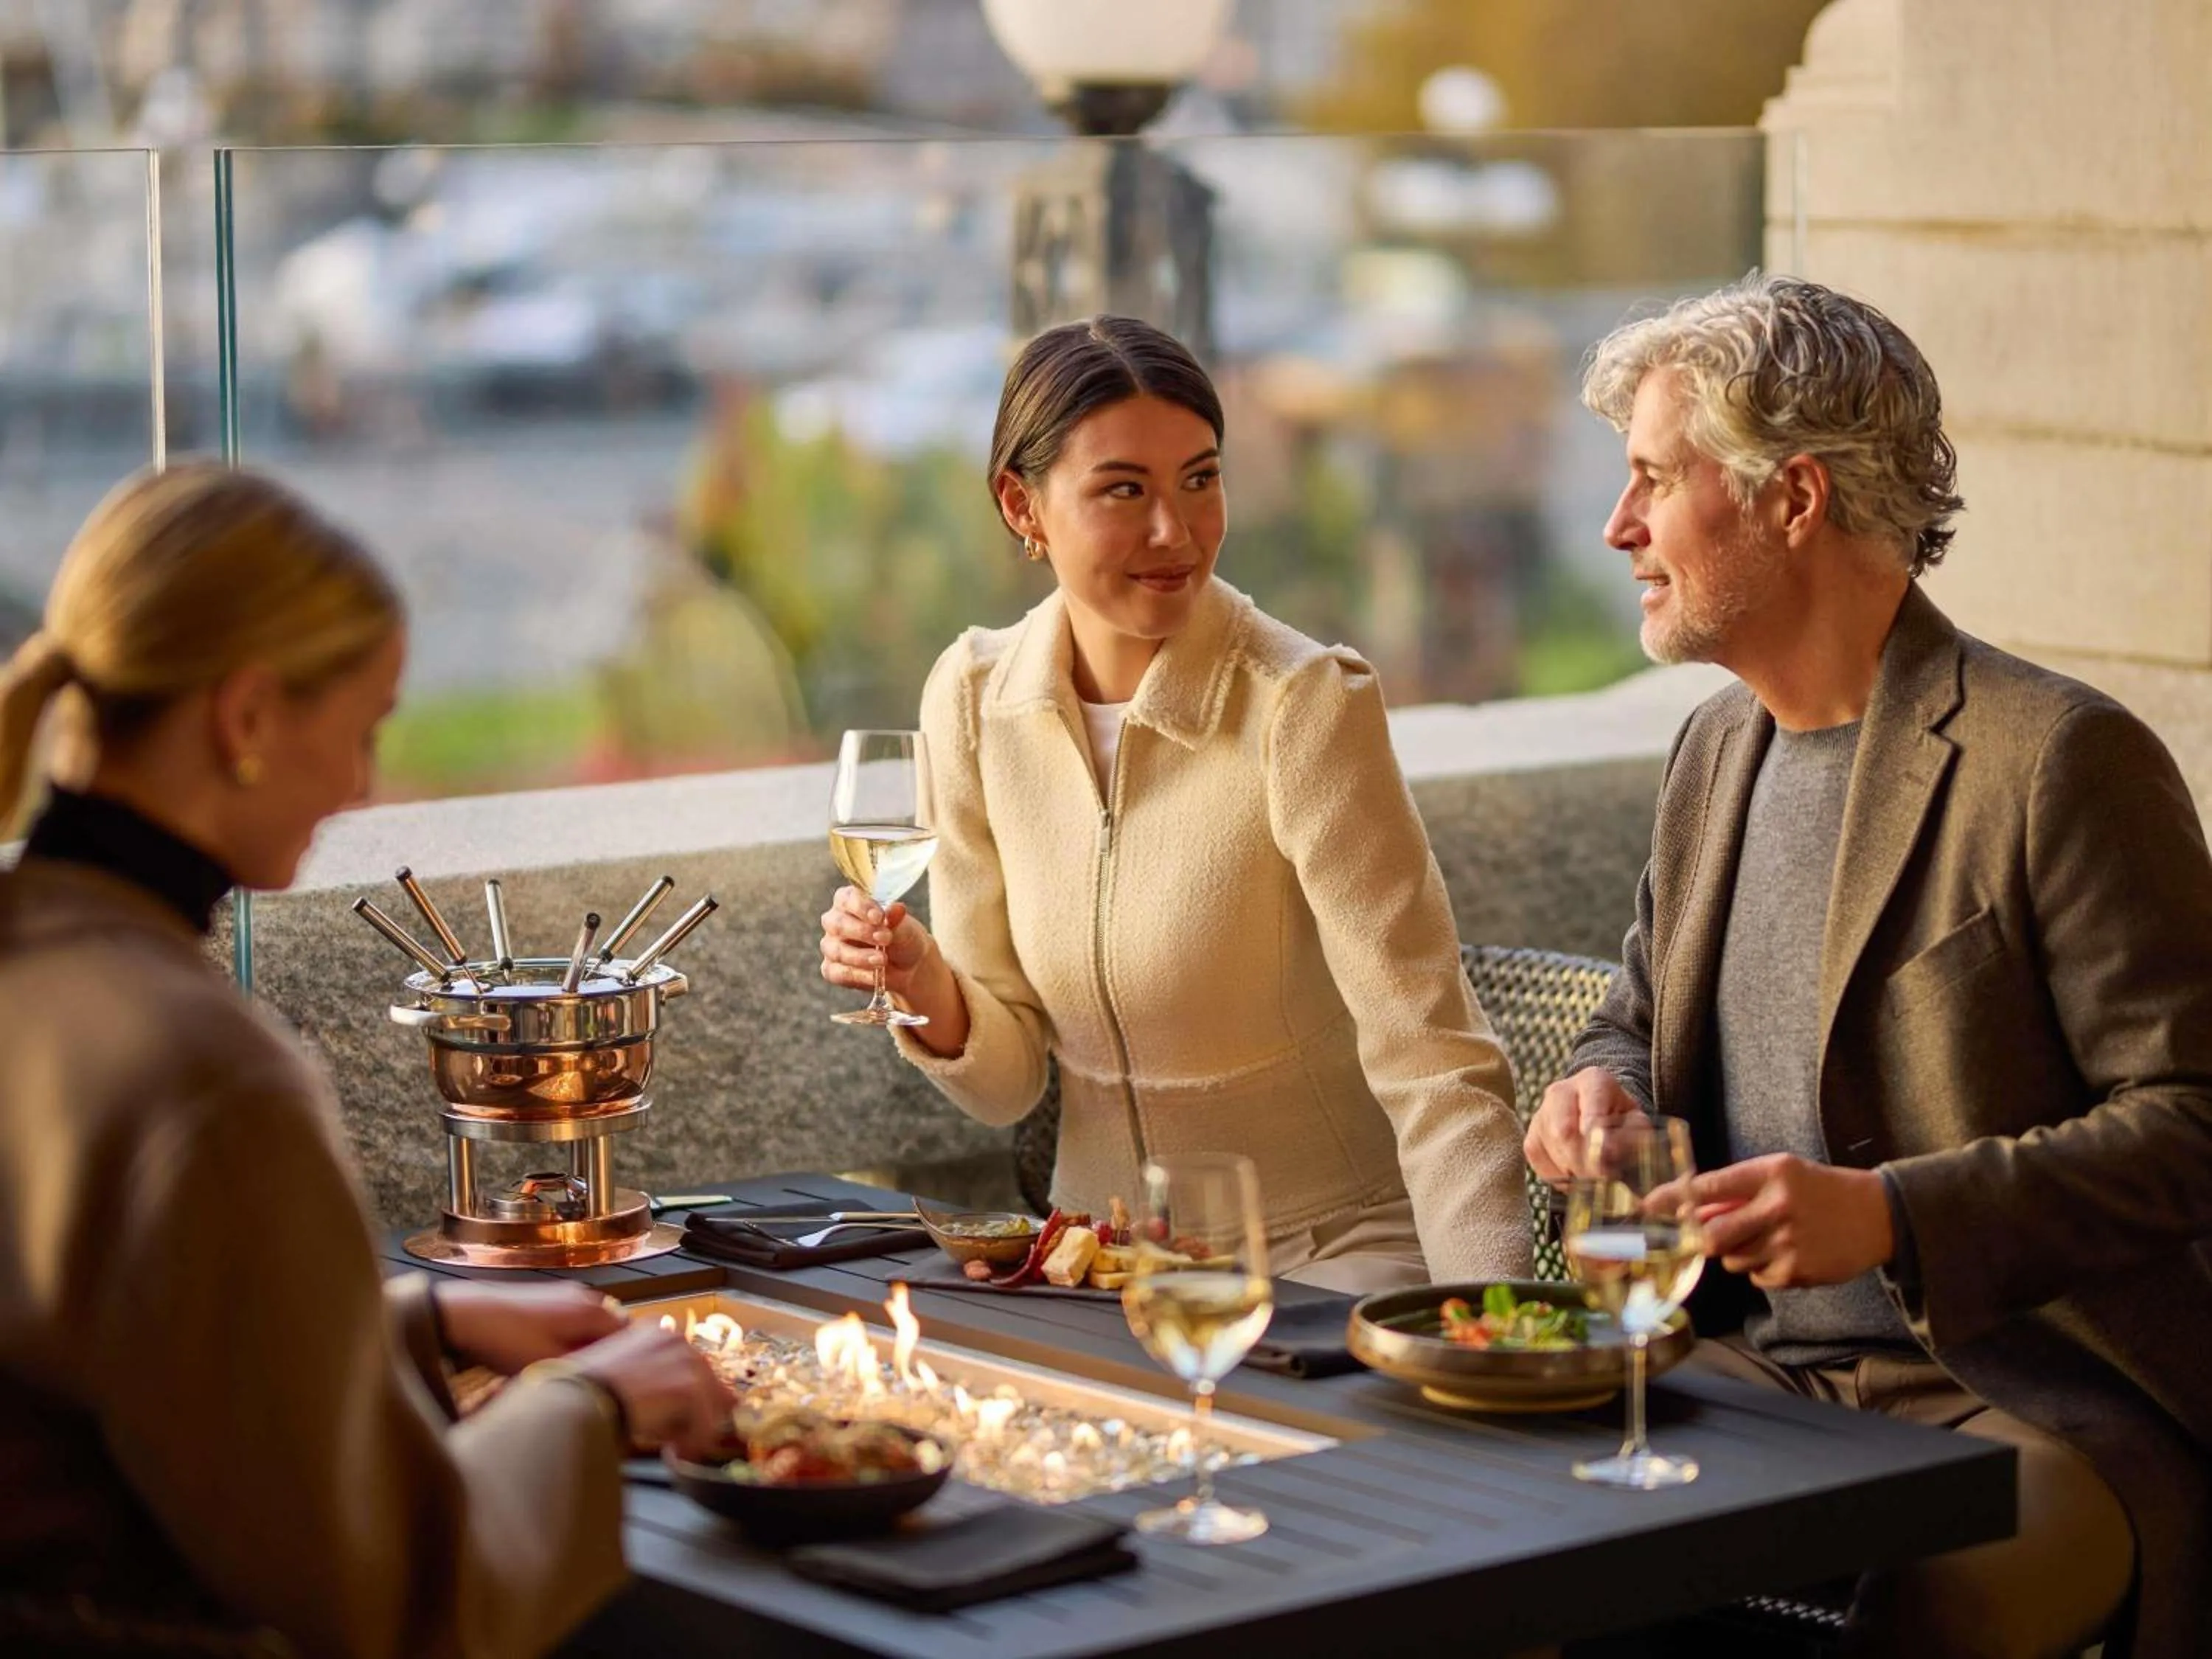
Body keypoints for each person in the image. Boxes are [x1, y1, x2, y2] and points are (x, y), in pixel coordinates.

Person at [1530, 274, 2211, 1658]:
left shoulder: (2061, 759)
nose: (1620, 528)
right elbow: (1630, 1023)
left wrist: (1895, 1215)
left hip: (2024, 1394)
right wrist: (1594, 1092)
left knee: (1919, 1607)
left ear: (1794, 499)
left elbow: (2193, 1126)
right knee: (1494, 1548)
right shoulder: (1714, 752)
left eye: (1655, 479)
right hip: (1741, 1369)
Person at [0, 464, 734, 1658]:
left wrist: (422, 1322)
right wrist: (593, 1406)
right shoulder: (204, 1070)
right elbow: (390, 1596)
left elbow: (97, 1381)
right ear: (243, 719)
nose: (363, 783)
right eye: (363, 727)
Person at [818, 316, 1528, 1292]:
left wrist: (1492, 1326)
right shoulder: (975, 700)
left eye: (1201, 478)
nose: (1177, 531)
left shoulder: (1302, 705)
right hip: (1097, 1266)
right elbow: (1009, 1081)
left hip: (1325, 1263)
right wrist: (921, 978)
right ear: (1021, 504)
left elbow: (1435, 1061)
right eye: (1125, 490)